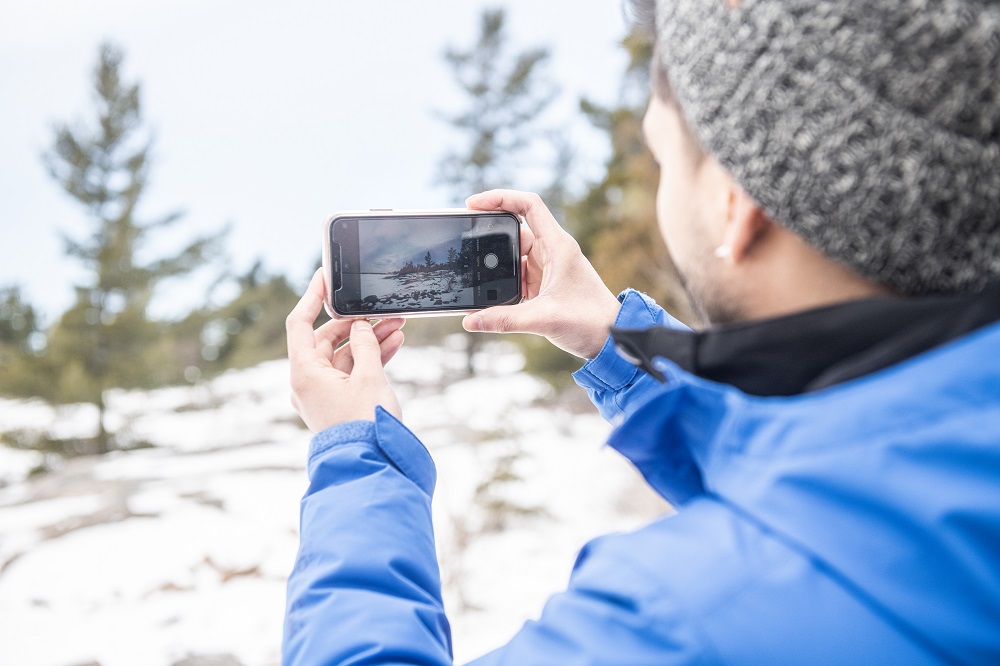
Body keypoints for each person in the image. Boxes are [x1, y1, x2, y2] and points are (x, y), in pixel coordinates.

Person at [283, 0, 1000, 663]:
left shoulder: (691, 615)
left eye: (664, 158)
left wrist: (356, 455)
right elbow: (818, 469)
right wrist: (618, 343)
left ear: (736, 206)